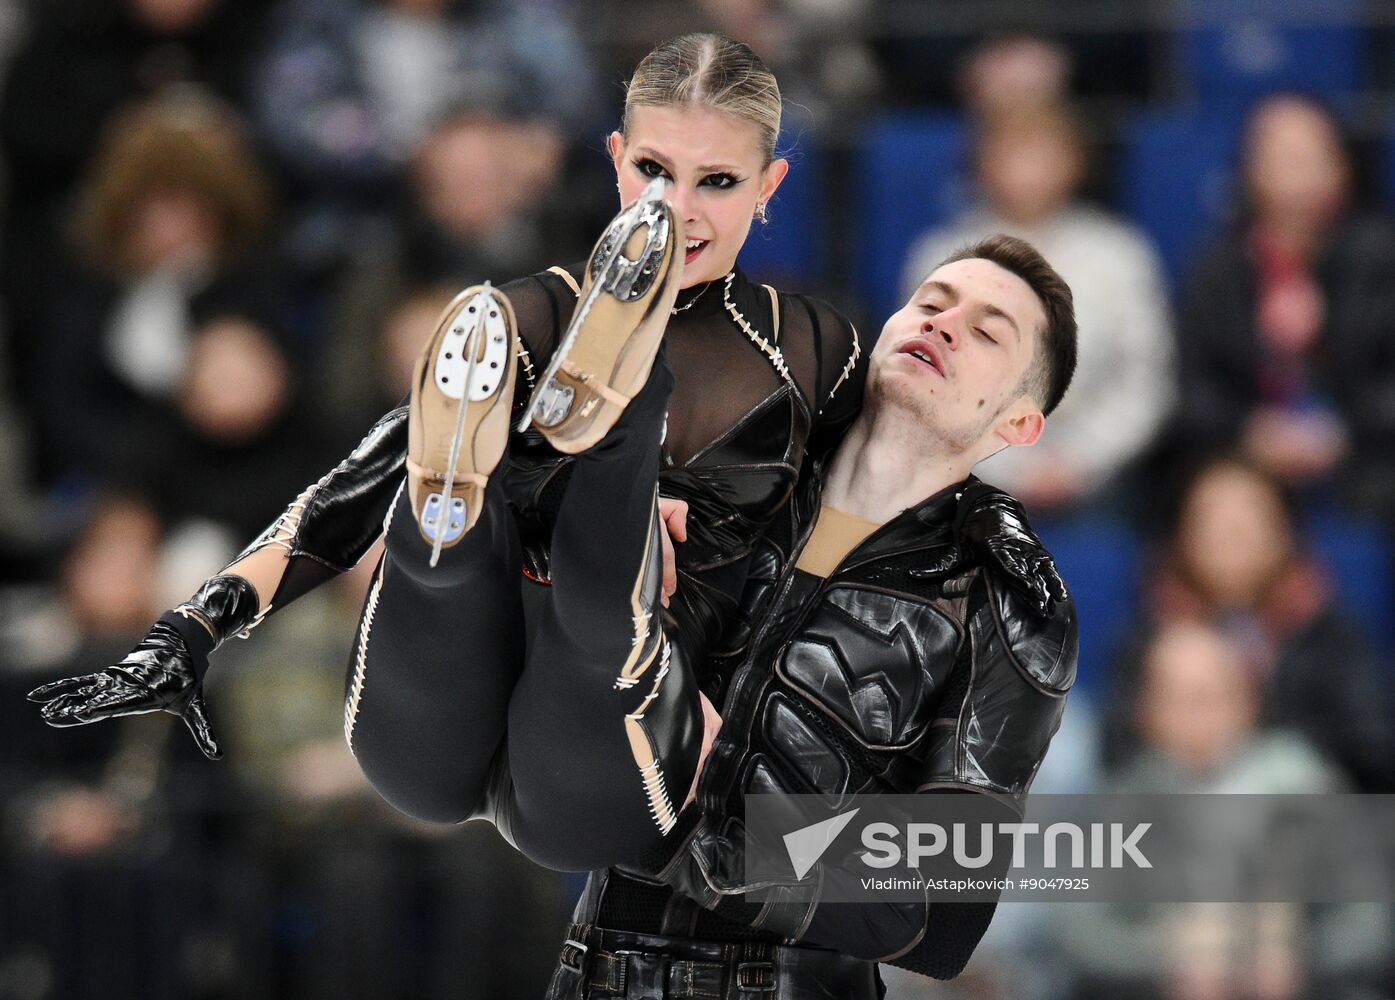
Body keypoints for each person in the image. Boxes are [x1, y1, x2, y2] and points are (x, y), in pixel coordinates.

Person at [902, 101, 1174, 514]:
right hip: (970, 471)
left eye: (1043, 156)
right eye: (1012, 155)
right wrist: (1010, 468)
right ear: (982, 165)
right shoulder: (940, 256)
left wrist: (1080, 460)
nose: (1027, 172)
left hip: (1101, 476)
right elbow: (925, 383)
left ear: (1075, 163)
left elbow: (1144, 379)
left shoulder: (1120, 253)